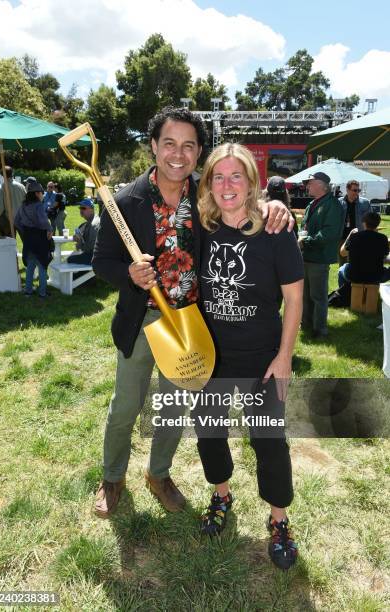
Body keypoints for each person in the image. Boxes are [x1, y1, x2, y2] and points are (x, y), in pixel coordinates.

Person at [91, 106, 294, 520]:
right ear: (153, 146)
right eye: (169, 143)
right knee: (127, 404)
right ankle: (112, 478)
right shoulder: (126, 200)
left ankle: (159, 474)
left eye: (188, 145)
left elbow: (241, 195)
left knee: (172, 406)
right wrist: (128, 273)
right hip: (142, 321)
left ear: (198, 152)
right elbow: (101, 261)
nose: (178, 154)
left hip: (191, 321)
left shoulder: (204, 193)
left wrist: (277, 206)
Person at [195, 143, 303, 570]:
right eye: (218, 177)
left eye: (235, 176)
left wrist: (285, 357)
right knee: (208, 432)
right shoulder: (201, 227)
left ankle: (279, 520)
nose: (226, 185)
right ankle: (221, 495)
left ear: (251, 183)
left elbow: (294, 298)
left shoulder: (275, 232)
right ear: (208, 184)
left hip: (262, 359)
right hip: (211, 360)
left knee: (269, 443)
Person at [299, 172, 344, 337]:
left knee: (318, 296)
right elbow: (305, 227)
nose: (307, 186)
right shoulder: (312, 204)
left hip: (319, 256)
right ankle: (306, 323)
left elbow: (330, 233)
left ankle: (320, 329)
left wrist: (306, 241)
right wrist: (302, 238)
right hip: (307, 254)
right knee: (306, 294)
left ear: (321, 184)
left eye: (310, 183)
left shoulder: (332, 205)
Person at [14, 181, 53, 298]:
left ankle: (28, 291)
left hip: (28, 239)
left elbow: (17, 222)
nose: (42, 194)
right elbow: (43, 222)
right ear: (36, 193)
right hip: (40, 238)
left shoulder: (23, 205)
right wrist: (49, 229)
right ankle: (42, 293)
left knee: (30, 266)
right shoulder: (38, 206)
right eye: (41, 192)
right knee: (42, 265)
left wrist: (25, 231)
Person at [338, 211, 390, 287]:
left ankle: (344, 294)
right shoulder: (383, 238)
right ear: (378, 224)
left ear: (364, 223)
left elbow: (342, 253)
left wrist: (350, 235)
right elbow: (385, 256)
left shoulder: (355, 237)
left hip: (354, 276)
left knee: (341, 270)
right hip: (376, 276)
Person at [338, 180, 371, 264]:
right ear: (347, 190)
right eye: (354, 190)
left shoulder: (365, 203)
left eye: (358, 190)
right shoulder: (339, 202)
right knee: (343, 263)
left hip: (359, 238)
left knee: (358, 263)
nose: (357, 193)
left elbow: (370, 221)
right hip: (343, 238)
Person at [67, 198, 100, 266]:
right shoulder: (89, 222)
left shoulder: (94, 224)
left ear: (91, 209)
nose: (81, 210)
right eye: (80, 208)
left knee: (70, 259)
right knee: (72, 256)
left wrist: (80, 243)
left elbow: (90, 248)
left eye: (83, 208)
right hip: (94, 255)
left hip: (96, 257)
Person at [0, 166, 26, 237]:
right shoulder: (21, 186)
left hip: (8, 220)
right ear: (12, 173)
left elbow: (0, 208)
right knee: (26, 242)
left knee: (9, 245)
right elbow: (26, 202)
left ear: (2, 175)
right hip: (21, 219)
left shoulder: (0, 188)